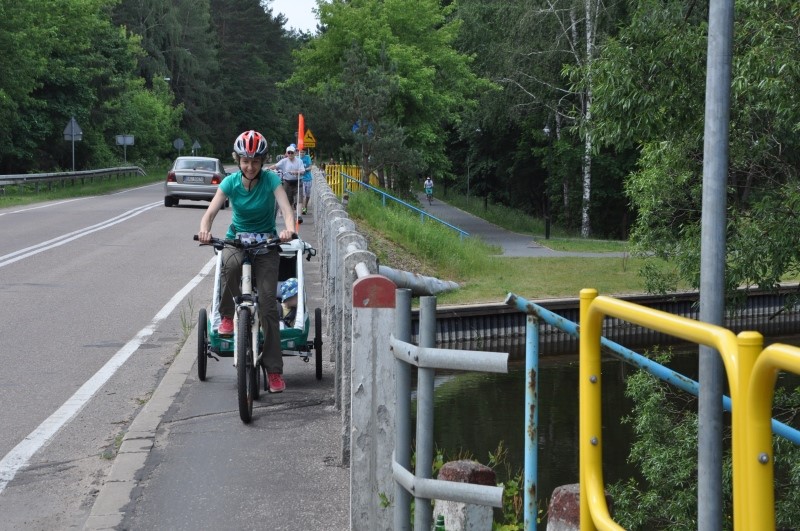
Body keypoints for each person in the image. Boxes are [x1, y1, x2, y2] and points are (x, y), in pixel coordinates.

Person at [198, 130, 296, 393]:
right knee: (228, 265)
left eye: (254, 161)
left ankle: (274, 371)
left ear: (262, 161)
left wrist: (288, 229)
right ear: (237, 160)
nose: (250, 166)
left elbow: (287, 209)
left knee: (268, 307)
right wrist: (205, 229)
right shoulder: (230, 183)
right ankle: (227, 317)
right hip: (237, 241)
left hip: (266, 245)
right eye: (244, 160)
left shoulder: (271, 180)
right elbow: (210, 213)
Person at [269, 146, 305, 211]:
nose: (290, 154)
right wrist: (268, 169)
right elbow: (275, 166)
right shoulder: (284, 161)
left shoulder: (299, 161)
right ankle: (292, 217)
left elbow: (303, 171)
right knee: (288, 201)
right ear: (286, 153)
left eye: (292, 153)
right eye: (289, 153)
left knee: (299, 199)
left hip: (298, 182)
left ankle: (299, 216)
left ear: (294, 153)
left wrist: (296, 172)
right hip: (287, 182)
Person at [298, 149, 313, 215]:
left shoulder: (307, 157)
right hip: (301, 179)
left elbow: (310, 167)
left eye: (303, 152)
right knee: (303, 195)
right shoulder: (297, 158)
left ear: (305, 152)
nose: (302, 153)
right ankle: (303, 209)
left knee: (307, 195)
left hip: (308, 179)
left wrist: (304, 169)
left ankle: (305, 206)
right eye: (301, 152)